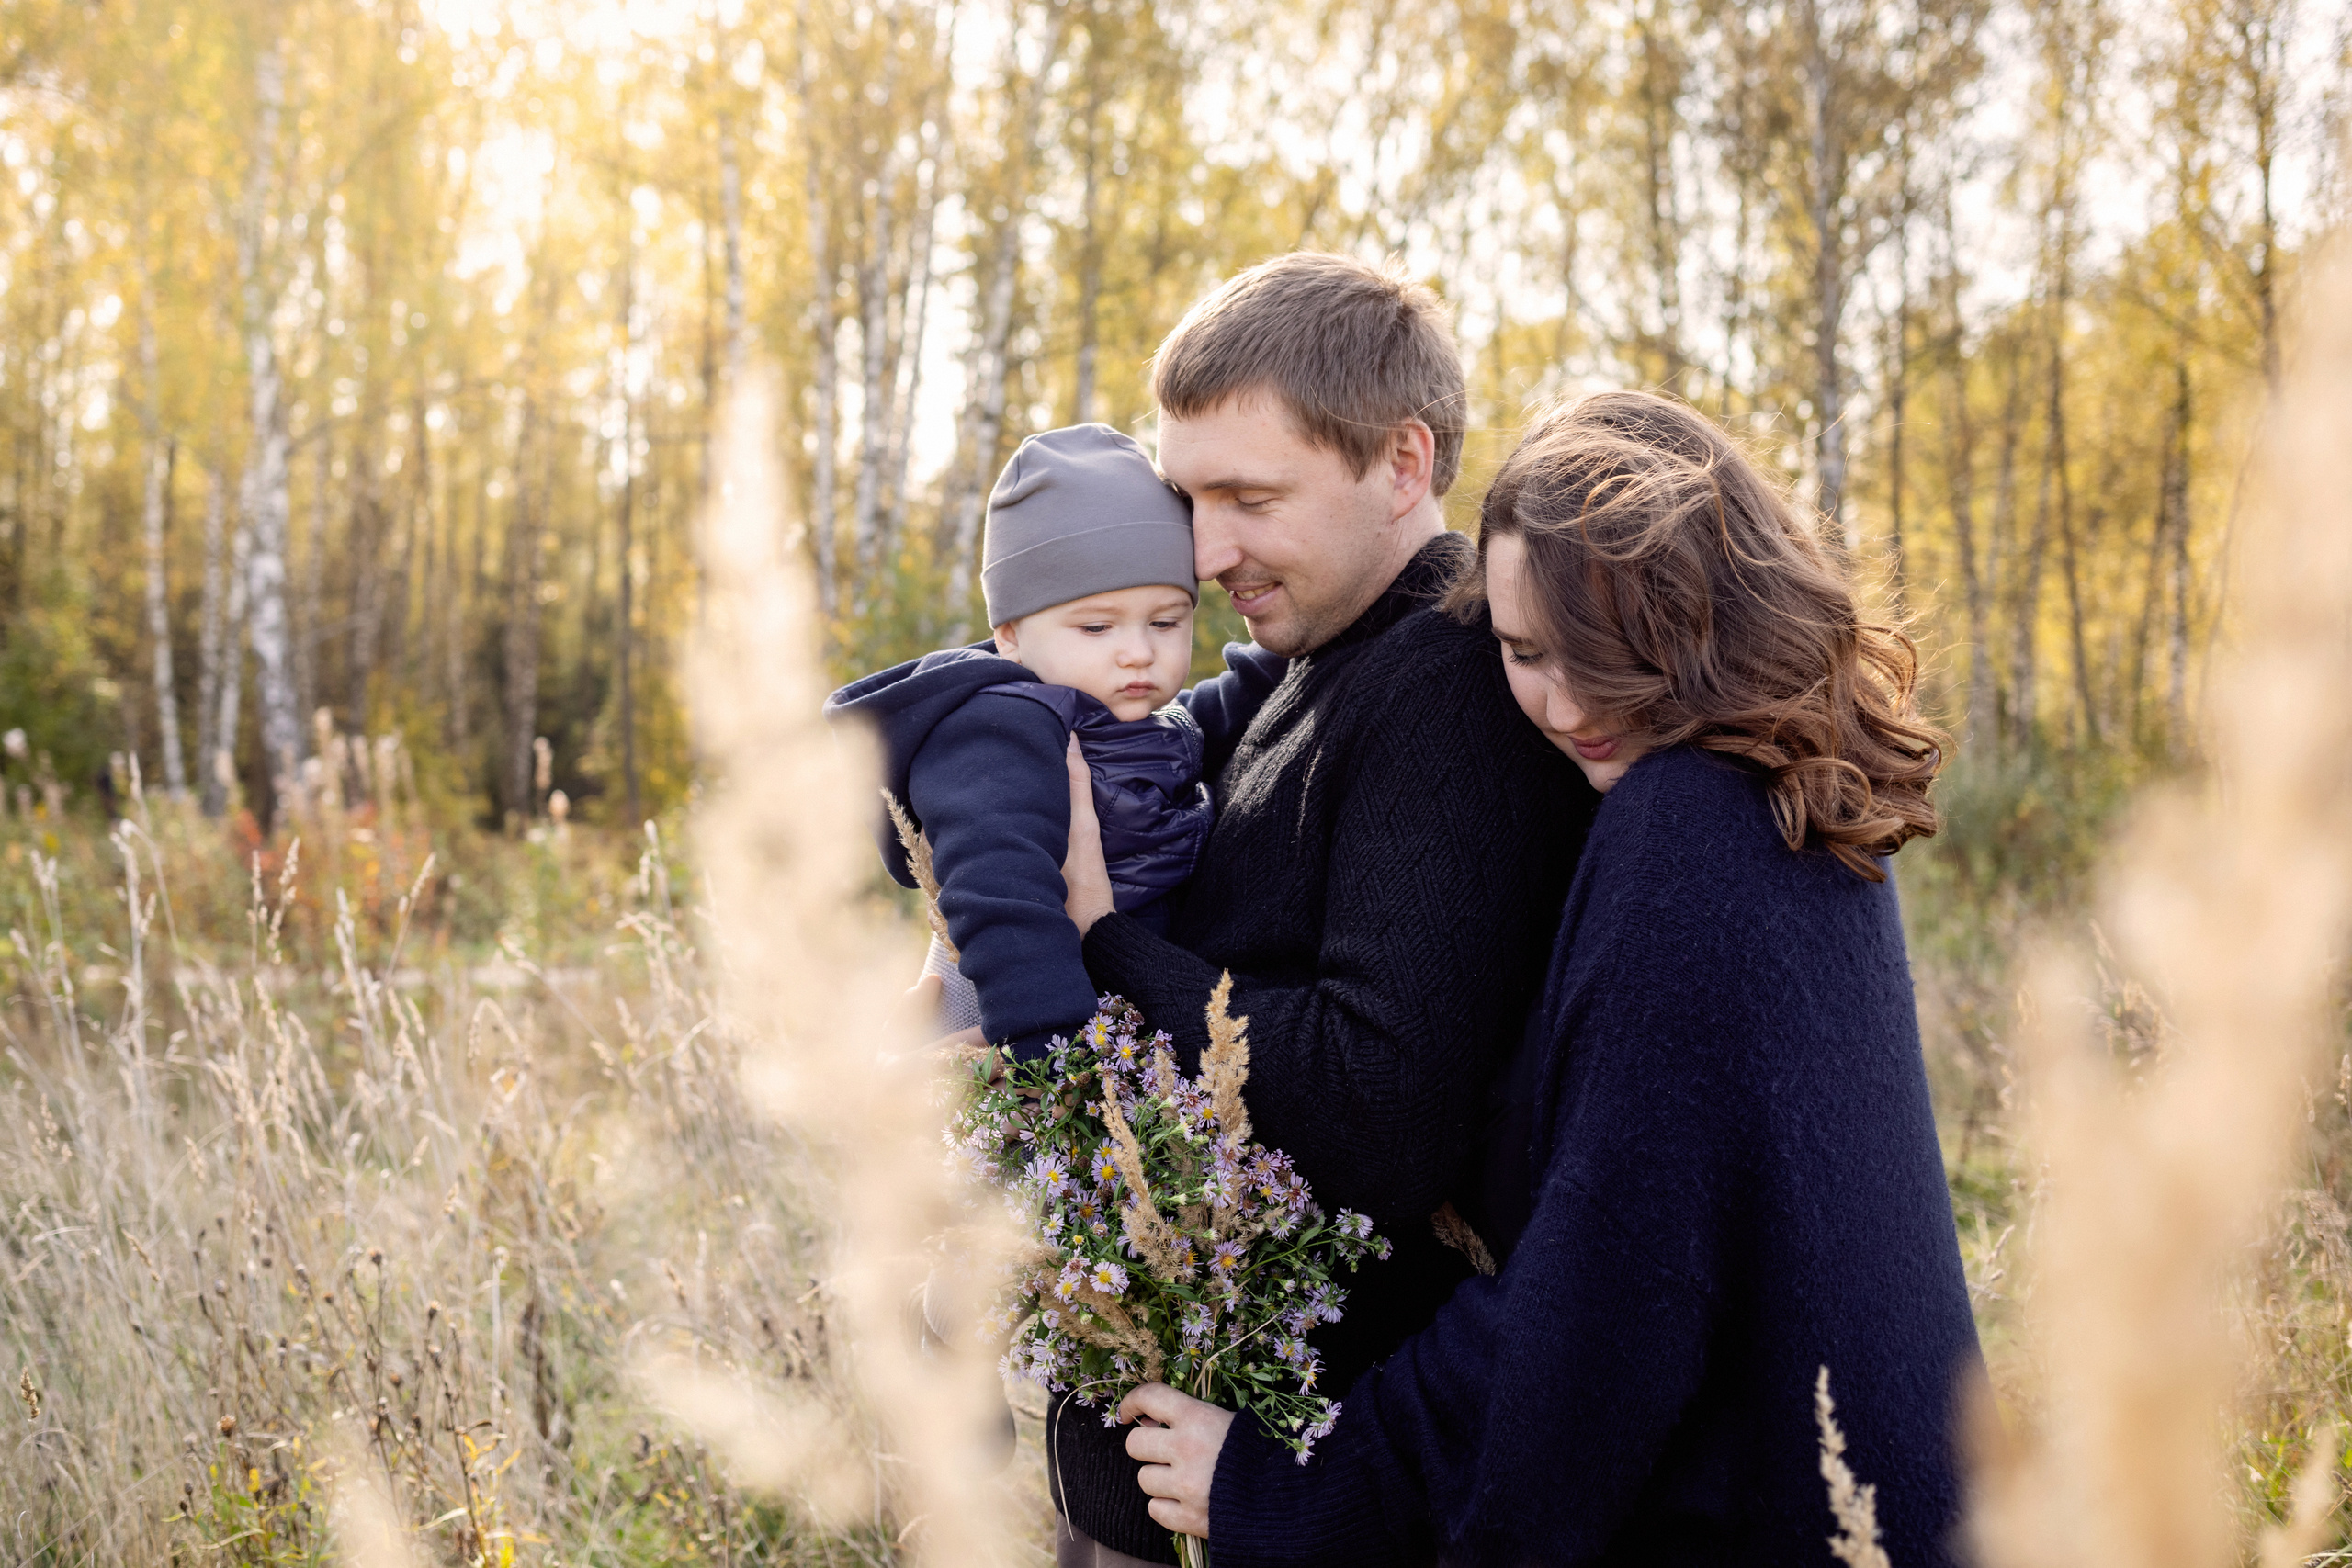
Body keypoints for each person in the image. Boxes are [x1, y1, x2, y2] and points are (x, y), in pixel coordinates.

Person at [1096, 391, 1984, 1566]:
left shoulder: (1689, 835)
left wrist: (1295, 1487)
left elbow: (1606, 1299)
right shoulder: (1791, 788)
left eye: (1605, 655)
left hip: (1787, 1516)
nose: (1562, 706)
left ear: (1703, 618)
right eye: (1521, 653)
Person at [1049, 254, 1599, 1565]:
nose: (1203, 547)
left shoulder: (1446, 695)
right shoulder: (1308, 659)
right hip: (1182, 1460)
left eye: (1249, 495)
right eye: (1186, 495)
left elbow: (1379, 1103)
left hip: (1286, 1481)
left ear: (1403, 465)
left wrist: (1100, 945)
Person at [826, 423, 1283, 1057]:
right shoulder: (999, 730)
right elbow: (1000, 892)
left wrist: (1294, 655)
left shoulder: (1145, 723)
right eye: (1096, 626)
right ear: (1010, 634)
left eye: (1165, 621)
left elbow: (1230, 701)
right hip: (1010, 1010)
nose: (1137, 652)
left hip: (1108, 1010)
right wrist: (1050, 1047)